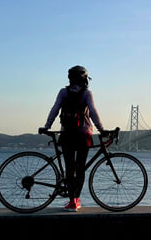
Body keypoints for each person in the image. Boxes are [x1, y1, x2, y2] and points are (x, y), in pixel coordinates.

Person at [40, 65, 107, 212]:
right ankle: (75, 201)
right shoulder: (87, 93)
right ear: (85, 79)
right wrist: (101, 129)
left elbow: (55, 109)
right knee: (80, 168)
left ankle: (71, 201)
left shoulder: (63, 92)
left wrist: (47, 126)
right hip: (84, 135)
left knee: (70, 168)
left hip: (67, 134)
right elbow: (93, 112)